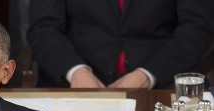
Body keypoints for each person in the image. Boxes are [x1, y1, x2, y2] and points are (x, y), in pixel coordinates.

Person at [27, 0, 214, 89]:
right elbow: (43, 28)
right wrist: (76, 72)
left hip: (165, 80)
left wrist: (147, 75)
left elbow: (198, 28)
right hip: (74, 82)